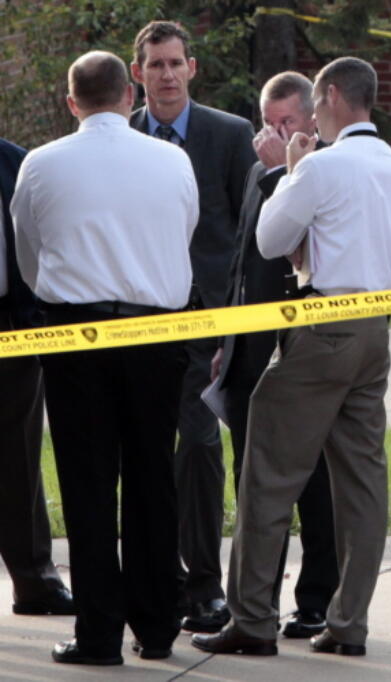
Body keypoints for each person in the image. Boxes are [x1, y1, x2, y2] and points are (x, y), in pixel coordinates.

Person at [192, 56, 391, 658]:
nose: (314, 116)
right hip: (375, 326)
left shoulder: (320, 166)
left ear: (335, 96)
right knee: (363, 483)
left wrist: (288, 172)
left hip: (322, 326)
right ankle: (349, 624)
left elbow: (269, 239)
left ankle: (252, 619)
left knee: (267, 474)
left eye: (317, 104)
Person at [11, 50, 197, 665]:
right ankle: (159, 626)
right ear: (130, 95)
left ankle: (98, 635)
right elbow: (184, 230)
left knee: (88, 484)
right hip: (156, 334)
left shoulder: (40, 164)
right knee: (152, 479)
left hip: (75, 337)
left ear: (72, 103)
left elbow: (29, 254)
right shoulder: (173, 158)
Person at [129, 19, 256, 634]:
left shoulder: (229, 136)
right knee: (144, 452)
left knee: (202, 447)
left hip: (211, 323)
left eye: (176, 63)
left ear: (193, 68)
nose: (167, 74)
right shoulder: (119, 136)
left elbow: (247, 238)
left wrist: (233, 322)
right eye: (155, 64)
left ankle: (205, 587)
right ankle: (156, 581)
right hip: (139, 320)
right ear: (137, 74)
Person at [211, 71, 339, 640]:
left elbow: (295, 246)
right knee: (253, 483)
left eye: (287, 122)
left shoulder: (323, 169)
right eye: (269, 122)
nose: (276, 132)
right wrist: (227, 341)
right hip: (248, 344)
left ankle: (316, 599)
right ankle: (255, 599)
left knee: (311, 480)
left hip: (298, 345)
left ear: (312, 119)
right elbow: (244, 255)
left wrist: (279, 172)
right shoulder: (264, 169)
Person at [0, 137, 75, 619]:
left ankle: (35, 582)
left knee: (19, 461)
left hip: (11, 329)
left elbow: (41, 237)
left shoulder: (17, 161)